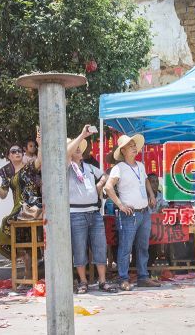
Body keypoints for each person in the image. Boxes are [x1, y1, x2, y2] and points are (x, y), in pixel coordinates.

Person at [104, 134, 161, 291]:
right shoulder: (118, 168)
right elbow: (108, 187)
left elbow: (145, 181)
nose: (135, 148)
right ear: (122, 150)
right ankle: (123, 278)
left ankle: (143, 277)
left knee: (143, 246)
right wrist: (120, 205)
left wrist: (151, 195)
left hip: (143, 211)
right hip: (129, 214)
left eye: (134, 145)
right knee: (126, 248)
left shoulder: (141, 166)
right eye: (130, 146)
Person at [66, 125, 116, 294]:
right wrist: (81, 135)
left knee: (100, 246)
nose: (79, 150)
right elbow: (66, 154)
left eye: (80, 147)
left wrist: (100, 184)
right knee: (79, 248)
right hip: (76, 213)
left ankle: (102, 281)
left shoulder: (87, 166)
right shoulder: (65, 166)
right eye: (76, 148)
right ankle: (83, 281)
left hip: (94, 212)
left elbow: (104, 175)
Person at [0, 133, 42, 264]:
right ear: (9, 156)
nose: (17, 153)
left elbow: (40, 160)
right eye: (13, 151)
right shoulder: (8, 175)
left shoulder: (29, 167)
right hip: (19, 211)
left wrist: (39, 143)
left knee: (6, 220)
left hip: (31, 207)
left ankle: (32, 273)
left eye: (19, 151)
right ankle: (26, 274)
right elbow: (3, 195)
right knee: (24, 244)